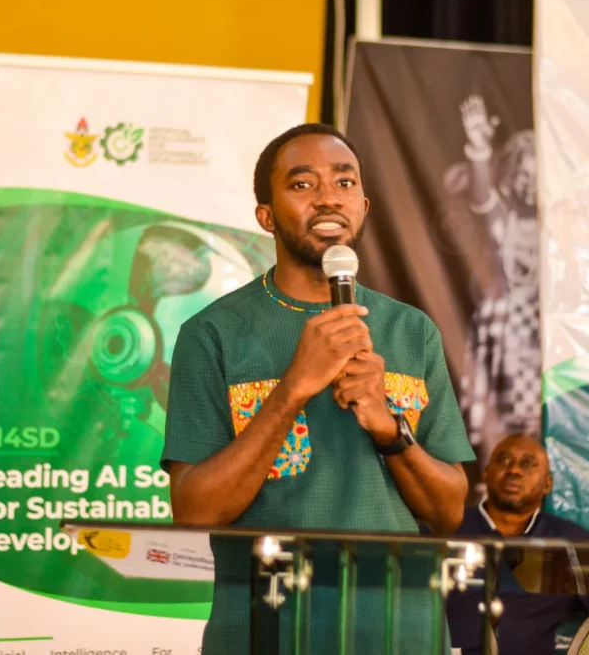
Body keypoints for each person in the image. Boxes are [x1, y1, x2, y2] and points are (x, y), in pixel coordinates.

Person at [161, 123, 476, 654]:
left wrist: (389, 428)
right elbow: (194, 513)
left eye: (344, 182)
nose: (329, 197)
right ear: (266, 216)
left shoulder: (411, 330)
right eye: (303, 184)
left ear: (364, 207)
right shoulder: (213, 334)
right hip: (268, 631)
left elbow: (449, 511)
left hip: (400, 632)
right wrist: (292, 389)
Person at [443, 95, 541, 465]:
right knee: (493, 429)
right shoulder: (503, 217)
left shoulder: (561, 226)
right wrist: (479, 148)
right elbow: (482, 198)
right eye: (523, 174)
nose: (529, 185)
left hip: (540, 336)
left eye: (538, 176)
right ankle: (488, 487)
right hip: (500, 331)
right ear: (511, 175)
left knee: (535, 426)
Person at [445, 434, 589, 655]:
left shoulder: (571, 541)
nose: (514, 470)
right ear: (485, 474)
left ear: (547, 485)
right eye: (503, 460)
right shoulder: (445, 530)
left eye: (527, 464)